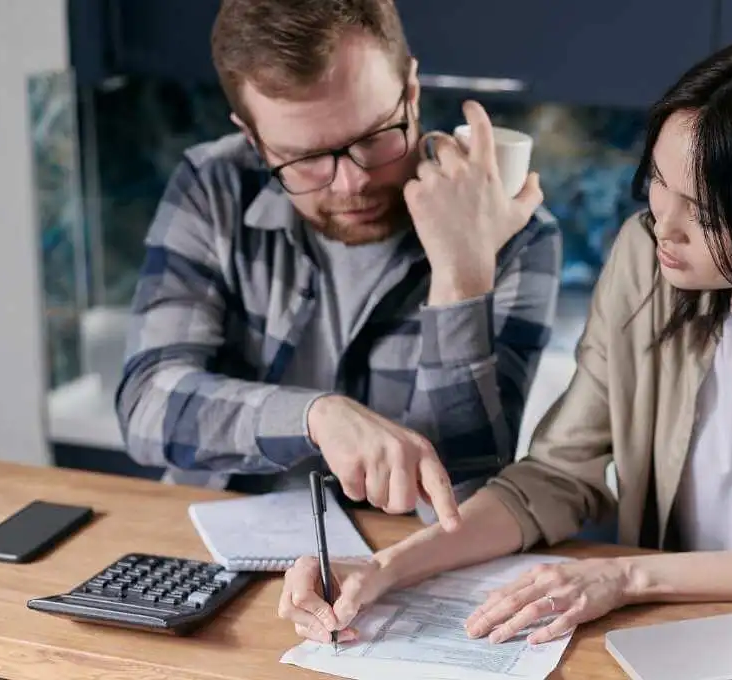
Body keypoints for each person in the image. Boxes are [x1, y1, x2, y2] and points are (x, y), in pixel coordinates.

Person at [278, 28, 732, 645]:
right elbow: (554, 476)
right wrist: (388, 567)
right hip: (666, 633)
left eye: (703, 212)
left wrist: (628, 579)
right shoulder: (646, 259)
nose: (662, 226)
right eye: (659, 186)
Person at [114, 0, 562, 528]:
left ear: (411, 90)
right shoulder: (214, 186)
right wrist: (316, 418)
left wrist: (461, 277)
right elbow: (147, 405)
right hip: (219, 540)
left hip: (400, 567)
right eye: (304, 159)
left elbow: (467, 502)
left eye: (374, 138)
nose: (353, 184)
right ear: (254, 138)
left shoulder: (516, 233)